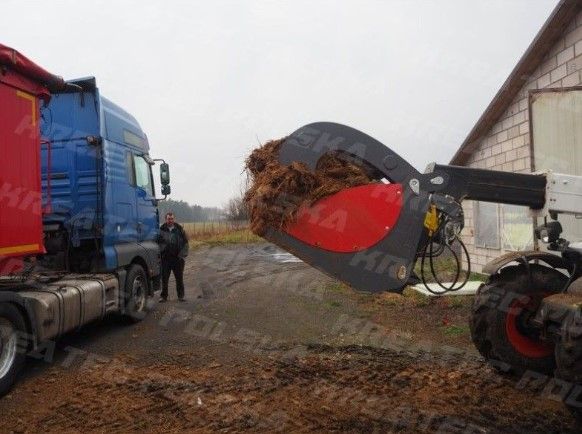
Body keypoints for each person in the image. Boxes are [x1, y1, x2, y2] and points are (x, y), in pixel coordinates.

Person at [158, 212, 189, 302]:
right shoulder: (161, 230)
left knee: (179, 278)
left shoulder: (179, 229)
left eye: (172, 219)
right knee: (164, 279)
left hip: (177, 259)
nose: (170, 220)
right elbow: (158, 243)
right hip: (166, 259)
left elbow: (186, 243)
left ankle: (181, 296)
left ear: (174, 219)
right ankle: (164, 296)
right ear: (165, 219)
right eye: (168, 219)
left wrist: (182, 255)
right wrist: (162, 252)